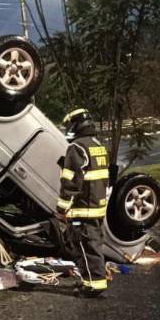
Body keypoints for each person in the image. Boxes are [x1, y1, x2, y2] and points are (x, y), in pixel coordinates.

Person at [56, 108, 111, 296]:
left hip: (83, 210)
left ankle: (93, 285)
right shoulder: (97, 145)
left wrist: (61, 208)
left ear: (75, 125)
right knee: (93, 245)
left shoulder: (76, 148)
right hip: (97, 207)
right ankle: (92, 281)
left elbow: (71, 182)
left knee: (84, 247)